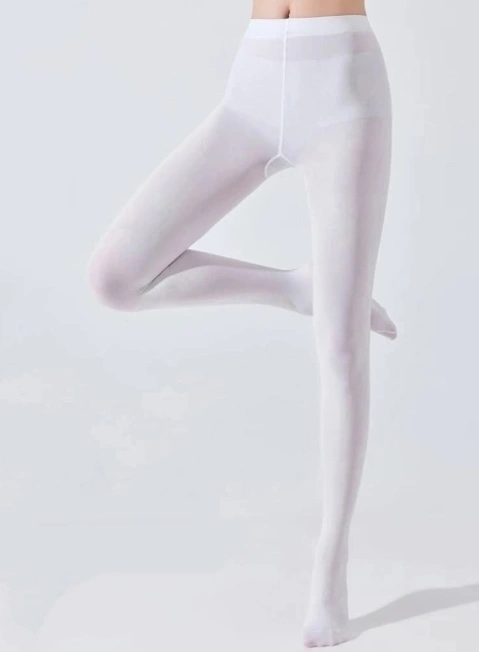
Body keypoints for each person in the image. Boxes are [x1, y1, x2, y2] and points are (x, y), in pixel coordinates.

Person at [86, 0, 395, 646]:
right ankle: (293, 288)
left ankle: (330, 564)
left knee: (341, 349)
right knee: (115, 278)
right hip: (253, 81)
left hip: (344, 87)